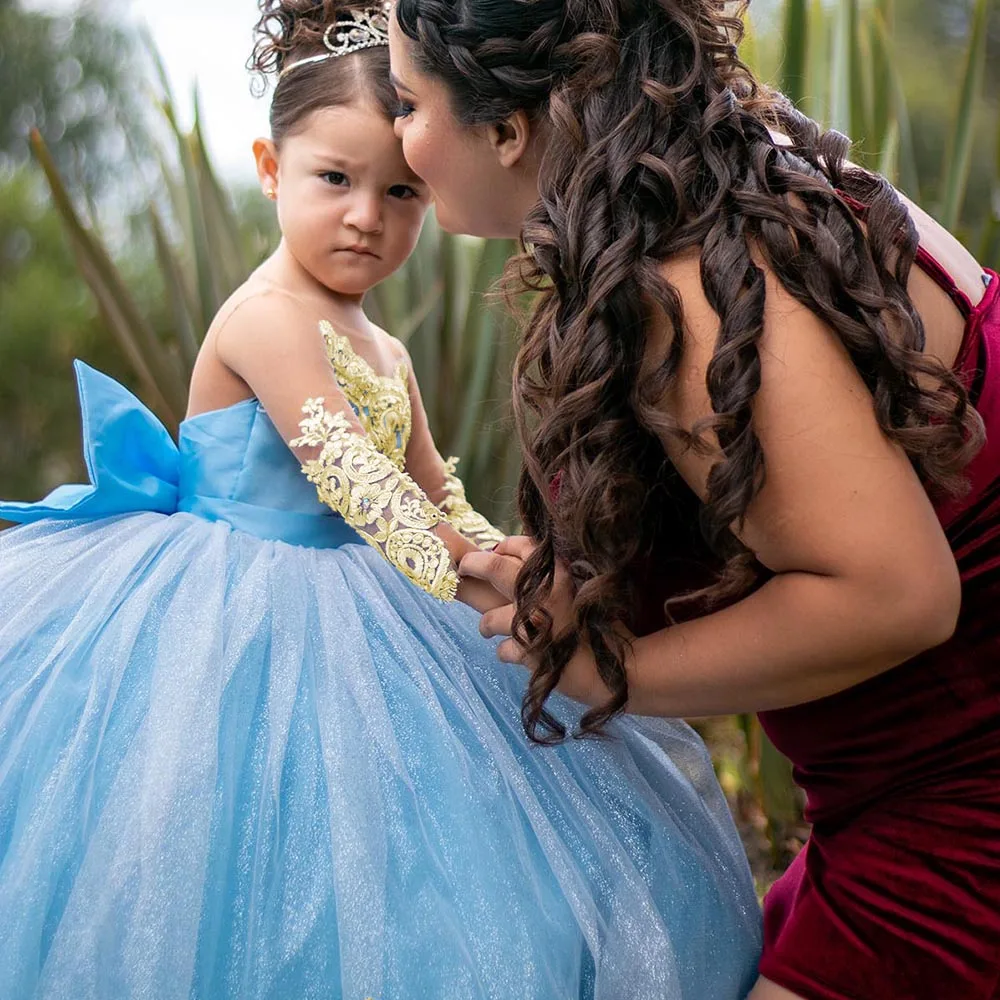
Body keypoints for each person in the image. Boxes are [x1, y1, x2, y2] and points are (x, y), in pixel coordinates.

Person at [0, 2, 762, 996]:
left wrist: (521, 561)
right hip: (233, 614)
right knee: (232, 841)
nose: (368, 214)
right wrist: (479, 573)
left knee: (415, 845)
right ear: (271, 171)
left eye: (400, 190)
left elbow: (432, 483)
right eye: (333, 180)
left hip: (365, 594)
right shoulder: (268, 317)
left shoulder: (385, 346)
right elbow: (360, 484)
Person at [387, 0, 1000, 997]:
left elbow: (897, 594)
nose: (394, 132)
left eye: (408, 101)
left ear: (504, 129)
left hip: (959, 826)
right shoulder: (726, 175)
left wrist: (608, 672)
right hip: (890, 804)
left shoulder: (696, 286)